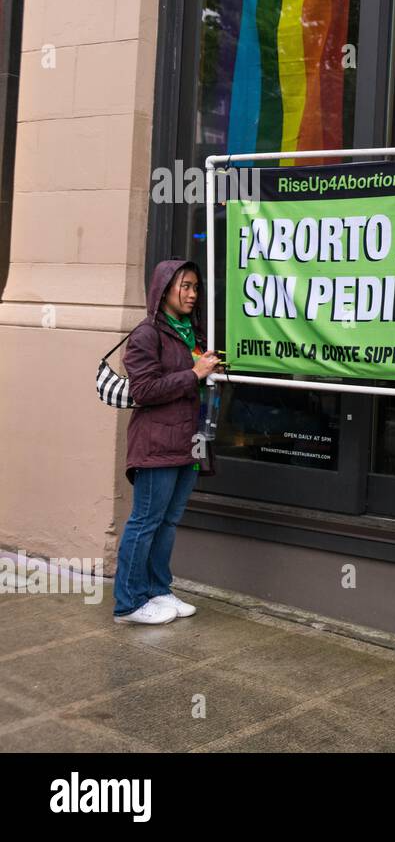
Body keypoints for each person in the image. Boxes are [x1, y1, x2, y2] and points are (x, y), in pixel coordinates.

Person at [113, 259, 222, 625]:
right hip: (156, 444)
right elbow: (144, 390)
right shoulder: (148, 334)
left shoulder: (194, 332)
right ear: (164, 289)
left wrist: (209, 368)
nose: (192, 294)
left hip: (189, 442)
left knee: (168, 523)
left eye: (195, 287)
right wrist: (194, 373)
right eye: (185, 287)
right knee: (145, 522)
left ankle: (159, 590)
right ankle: (129, 602)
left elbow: (194, 379)